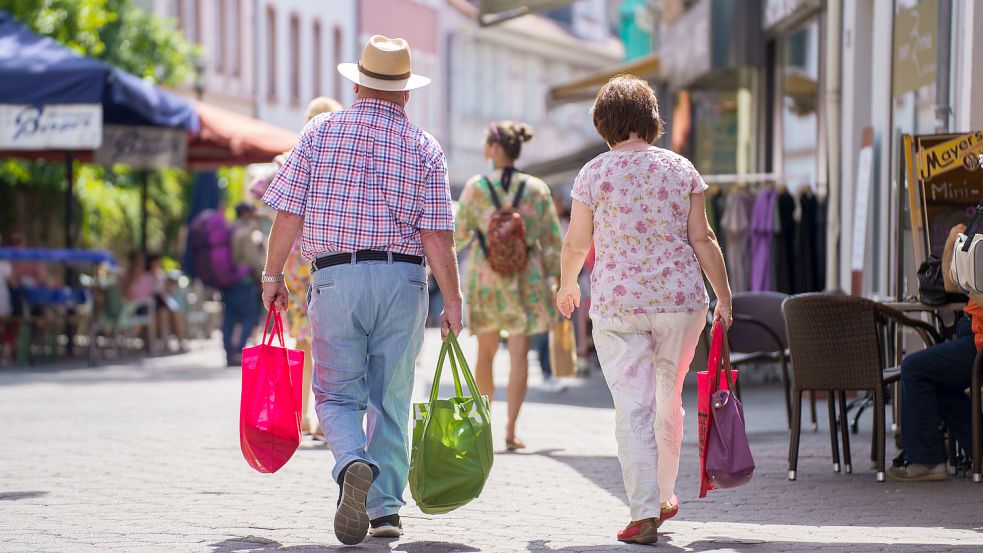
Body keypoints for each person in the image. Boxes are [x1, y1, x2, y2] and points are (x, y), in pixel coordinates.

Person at [259, 36, 462, 545]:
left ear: (356, 85)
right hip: (402, 280)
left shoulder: (319, 132)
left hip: (336, 278)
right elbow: (438, 234)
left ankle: (352, 460)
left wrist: (273, 275)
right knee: (391, 395)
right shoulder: (424, 146)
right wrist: (454, 300)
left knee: (335, 392)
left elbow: (289, 212)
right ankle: (386, 508)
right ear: (407, 92)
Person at [556, 75, 732, 546]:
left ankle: (644, 511)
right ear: (651, 120)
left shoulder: (593, 173)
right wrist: (724, 296)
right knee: (669, 399)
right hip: (680, 302)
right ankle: (665, 496)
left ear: (603, 122)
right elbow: (703, 238)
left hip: (619, 305)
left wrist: (567, 285)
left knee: (633, 406)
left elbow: (576, 243)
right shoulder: (681, 168)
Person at [454, 121, 563, 450]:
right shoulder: (536, 189)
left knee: (485, 354)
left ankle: (482, 427)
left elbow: (458, 235)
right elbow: (552, 241)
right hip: (524, 281)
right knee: (519, 356)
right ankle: (511, 430)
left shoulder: (476, 187)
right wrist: (557, 280)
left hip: (486, 279)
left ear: (494, 149)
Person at [250, 96, 345, 439]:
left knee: (302, 341)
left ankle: (300, 415)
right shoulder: (337, 161)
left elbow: (257, 189)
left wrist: (280, 212)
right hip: (327, 259)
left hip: (293, 264)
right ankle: (325, 419)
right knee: (332, 342)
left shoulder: (290, 160)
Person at [889, 224, 977, 481]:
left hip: (979, 342)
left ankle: (926, 461)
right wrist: (953, 245)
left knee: (914, 368)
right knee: (939, 380)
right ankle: (978, 450)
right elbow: (953, 284)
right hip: (972, 334)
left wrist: (953, 243)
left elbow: (957, 285)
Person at [224, 203, 265, 366]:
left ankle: (229, 354)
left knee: (229, 317)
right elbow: (253, 259)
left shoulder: (228, 229)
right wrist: (264, 277)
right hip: (244, 281)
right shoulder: (246, 231)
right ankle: (238, 351)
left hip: (227, 280)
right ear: (247, 213)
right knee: (250, 315)